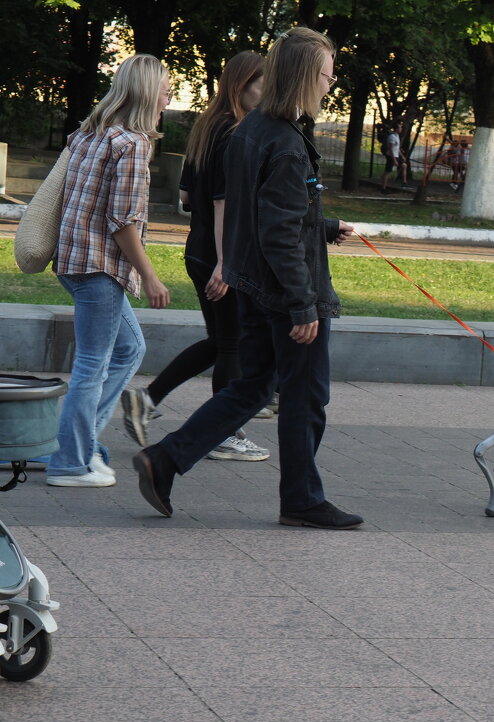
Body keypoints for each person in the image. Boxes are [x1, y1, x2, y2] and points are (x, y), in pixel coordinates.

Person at [132, 27, 363, 529]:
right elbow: (277, 232)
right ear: (305, 75)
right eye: (327, 75)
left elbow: (262, 215)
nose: (330, 85)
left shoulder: (252, 129)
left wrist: (322, 228)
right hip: (283, 293)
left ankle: (164, 460)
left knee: (253, 386)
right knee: (306, 395)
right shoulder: (285, 143)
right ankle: (301, 500)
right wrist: (303, 305)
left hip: (252, 285)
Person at [120, 51, 270, 462]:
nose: (269, 91)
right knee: (231, 344)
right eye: (263, 84)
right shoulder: (234, 131)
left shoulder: (207, 126)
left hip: (198, 249)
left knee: (222, 340)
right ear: (243, 85)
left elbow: (187, 196)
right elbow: (222, 202)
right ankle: (224, 432)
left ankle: (147, 399)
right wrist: (226, 263)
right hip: (221, 253)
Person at [44, 54, 172, 488]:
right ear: (146, 92)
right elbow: (123, 225)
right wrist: (151, 276)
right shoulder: (132, 145)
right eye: (165, 85)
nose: (170, 93)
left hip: (74, 262)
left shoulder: (89, 133)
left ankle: (79, 444)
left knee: (128, 350)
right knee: (92, 366)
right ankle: (69, 463)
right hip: (99, 268)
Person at [380, 122, 408, 191]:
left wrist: (402, 156)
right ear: (396, 129)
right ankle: (383, 188)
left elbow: (397, 148)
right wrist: (394, 160)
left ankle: (404, 182)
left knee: (404, 165)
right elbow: (391, 149)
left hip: (396, 155)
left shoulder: (397, 136)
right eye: (400, 127)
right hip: (391, 156)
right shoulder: (392, 137)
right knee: (387, 171)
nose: (401, 129)